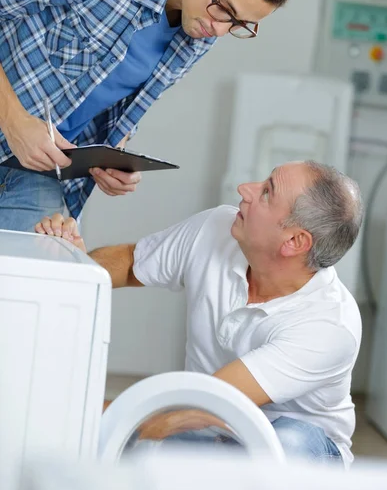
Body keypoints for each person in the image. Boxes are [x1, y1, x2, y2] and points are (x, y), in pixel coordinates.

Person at [35, 160, 363, 466]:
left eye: (266, 192)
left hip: (293, 451)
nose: (245, 189)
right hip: (205, 433)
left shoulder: (329, 325)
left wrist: (80, 414)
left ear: (295, 241)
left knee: (288, 444)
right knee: (139, 447)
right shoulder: (217, 228)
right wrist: (72, 262)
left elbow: (207, 402)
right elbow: (133, 264)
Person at [0, 0, 294, 231]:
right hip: (11, 132)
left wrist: (115, 153)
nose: (220, 29)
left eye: (238, 24)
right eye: (224, 8)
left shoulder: (202, 27)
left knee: (31, 272)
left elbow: (115, 91)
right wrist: (13, 120)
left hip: (39, 168)